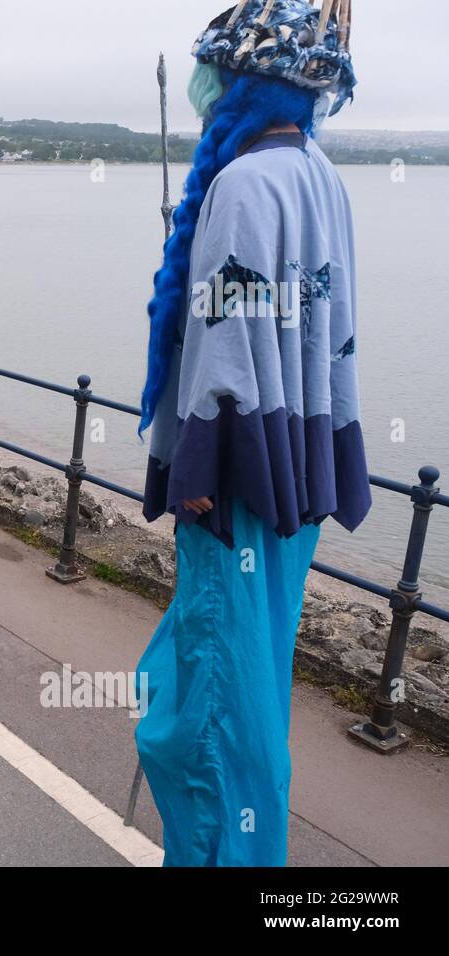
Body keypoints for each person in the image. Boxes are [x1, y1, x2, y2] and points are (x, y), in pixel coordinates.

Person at [135, 0, 366, 868]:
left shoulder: (241, 184)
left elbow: (229, 343)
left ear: (242, 79)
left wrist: (197, 466)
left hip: (232, 481)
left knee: (206, 718)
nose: (202, 87)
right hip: (298, 467)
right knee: (248, 682)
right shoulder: (320, 175)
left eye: (214, 70)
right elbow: (326, 328)